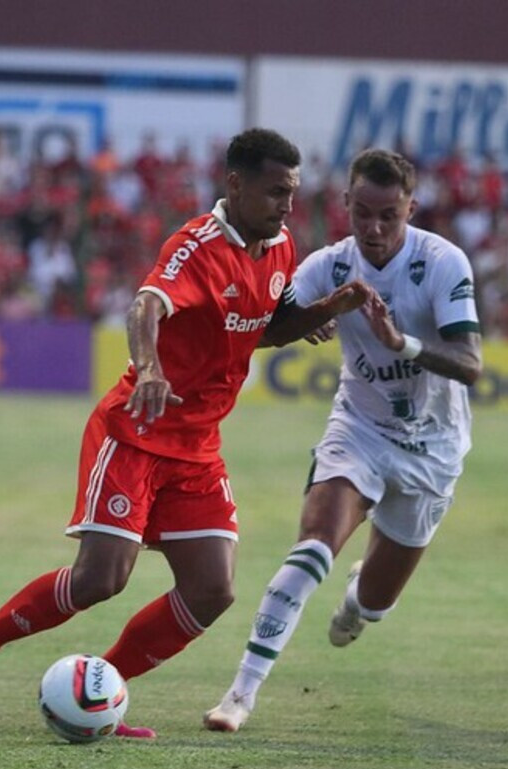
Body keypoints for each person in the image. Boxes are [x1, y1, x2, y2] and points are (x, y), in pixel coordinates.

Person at [0, 127, 370, 737]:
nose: (287, 205)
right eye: (274, 191)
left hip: (198, 446)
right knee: (101, 579)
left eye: (291, 192)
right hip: (136, 431)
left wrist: (321, 313)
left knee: (211, 590)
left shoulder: (280, 246)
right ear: (235, 184)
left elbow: (260, 326)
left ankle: (97, 690)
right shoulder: (195, 244)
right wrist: (150, 368)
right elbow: (145, 306)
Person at [202, 148, 483, 732]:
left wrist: (399, 342)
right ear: (346, 206)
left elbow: (469, 364)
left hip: (433, 447)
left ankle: (361, 597)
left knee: (375, 605)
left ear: (410, 207)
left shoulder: (442, 262)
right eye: (363, 214)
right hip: (359, 428)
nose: (375, 229)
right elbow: (267, 329)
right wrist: (318, 314)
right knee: (311, 548)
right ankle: (240, 696)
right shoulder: (328, 266)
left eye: (389, 216)